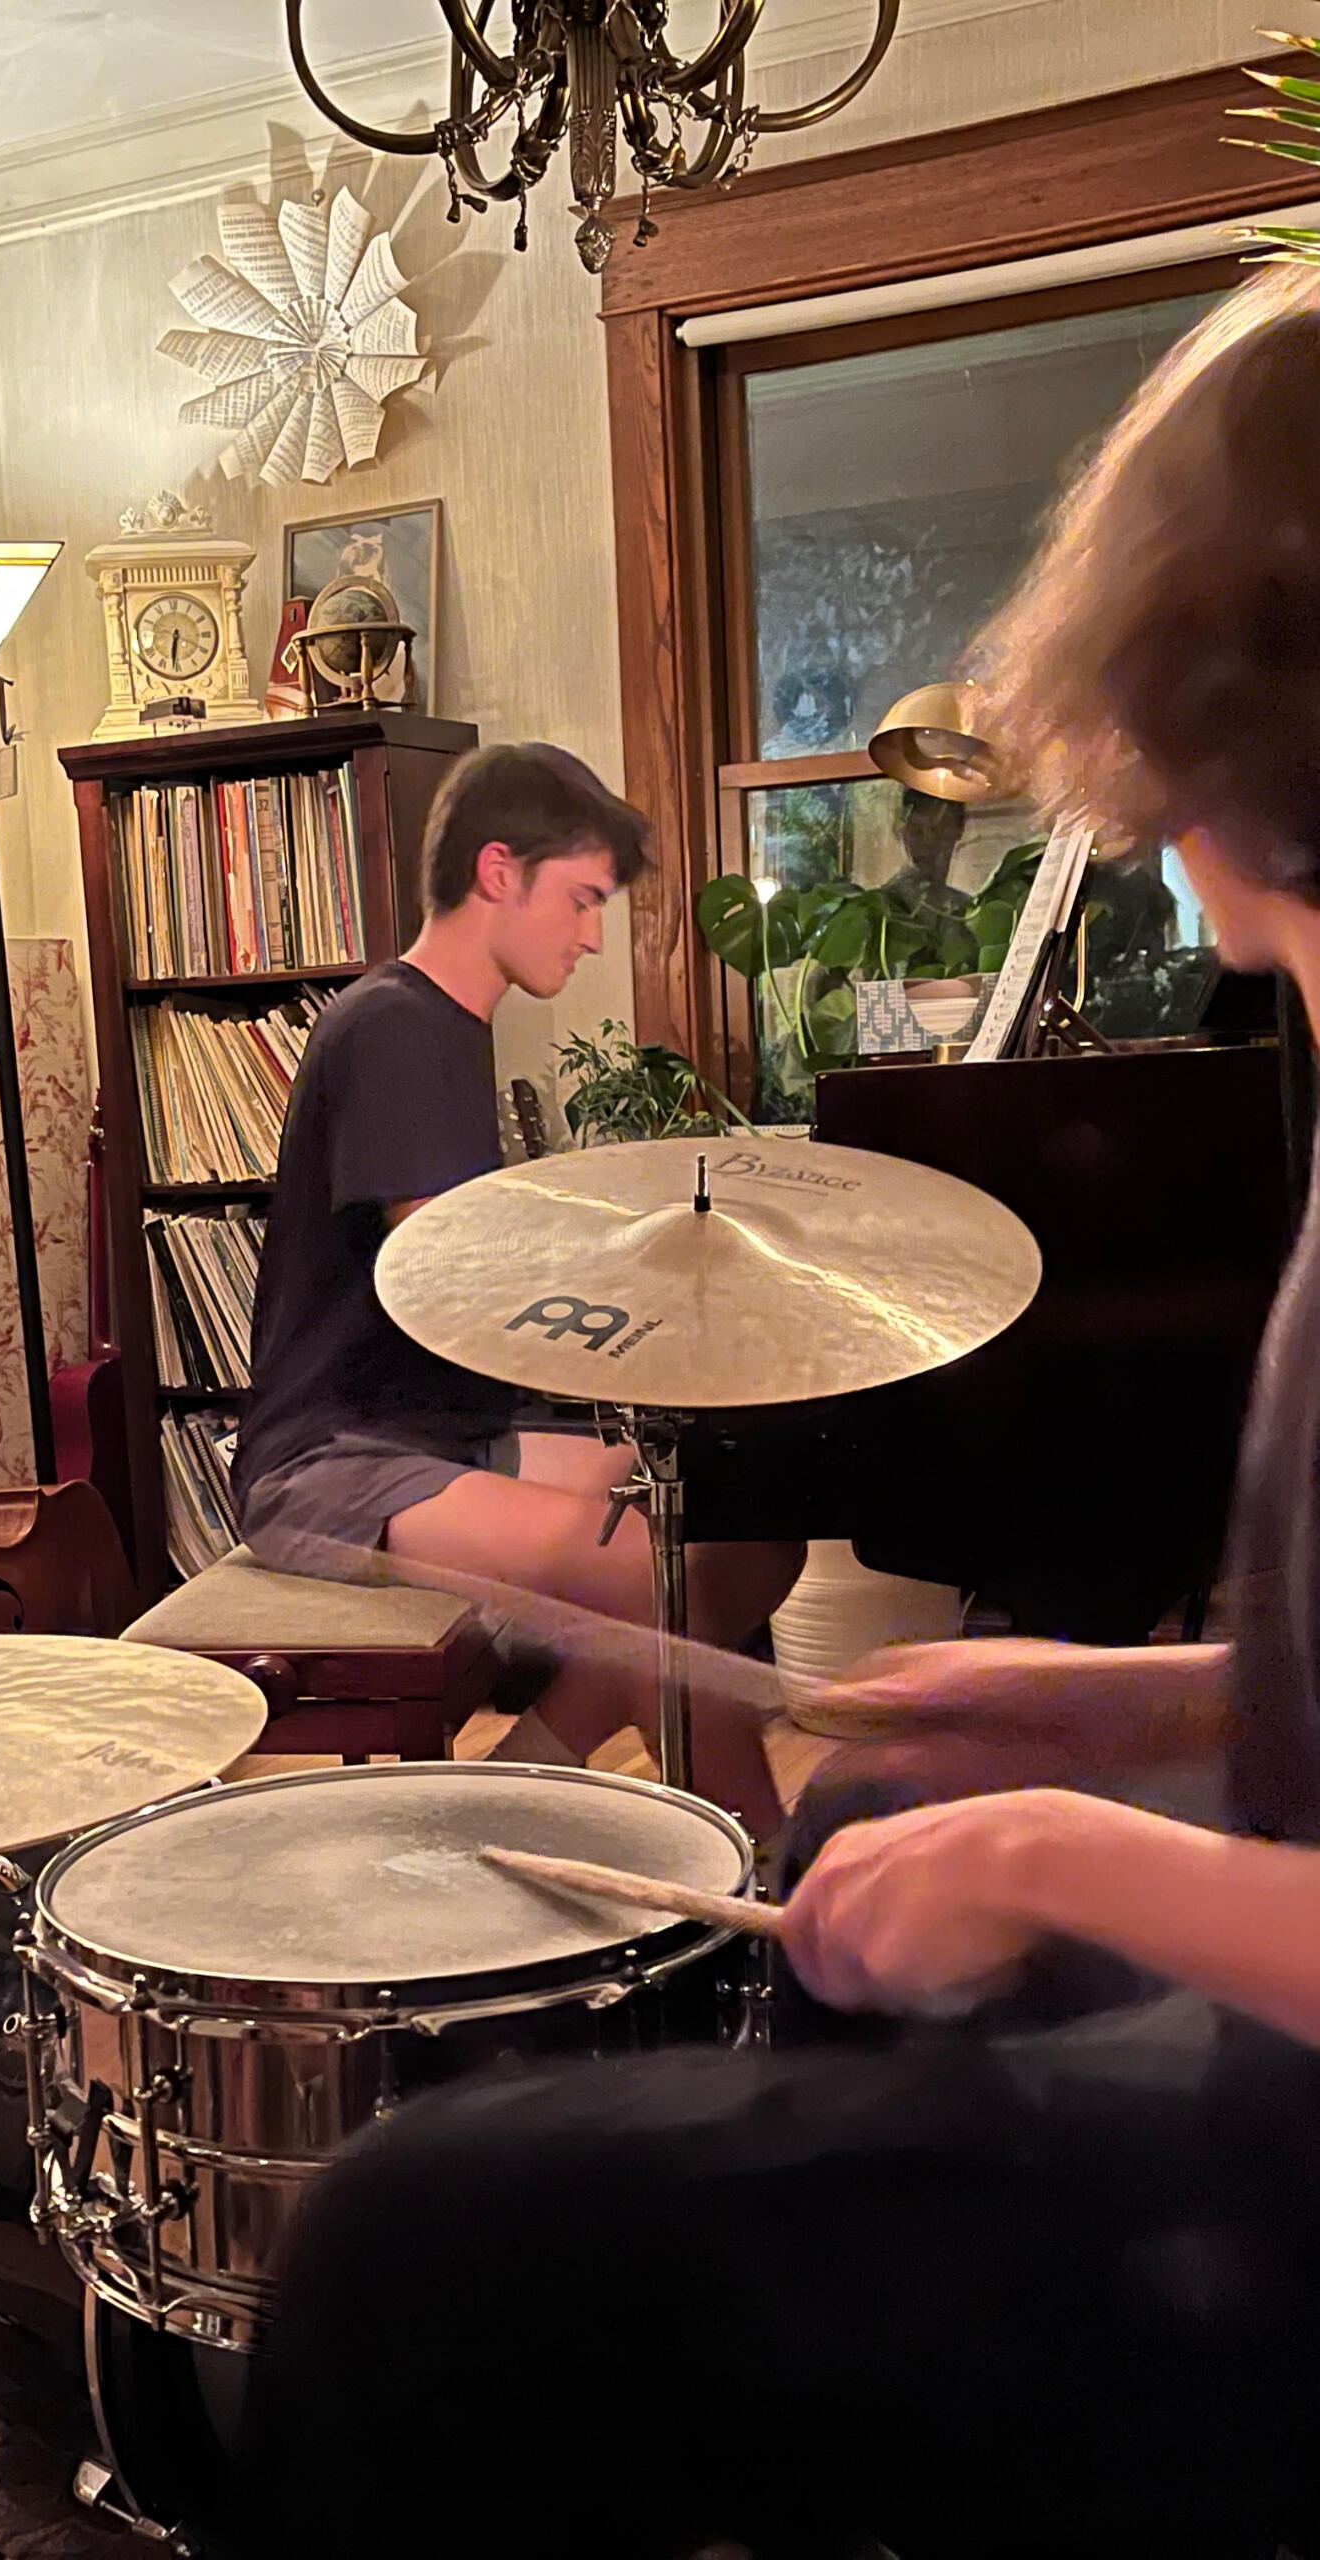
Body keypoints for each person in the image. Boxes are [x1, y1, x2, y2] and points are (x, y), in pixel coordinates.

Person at [242, 260, 1320, 2560]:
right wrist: (1096, 1695)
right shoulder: (400, 1030)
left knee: (393, 2250)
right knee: (844, 1779)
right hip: (337, 1468)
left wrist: (1043, 1843)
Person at [230, 740, 802, 1823]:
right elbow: (454, 1275)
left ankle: (516, 1785)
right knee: (652, 1571)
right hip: (335, 1464)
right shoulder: (394, 1025)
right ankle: (766, 1868)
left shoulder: (449, 1027)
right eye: (582, 900)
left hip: (446, 1435)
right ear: (499, 871)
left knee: (748, 1531)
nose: (592, 935)